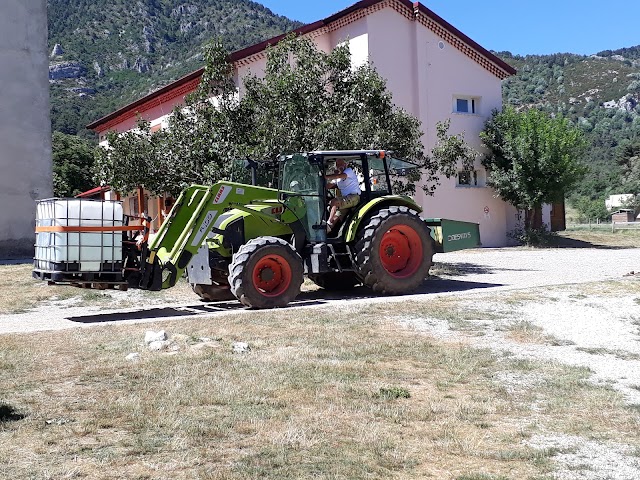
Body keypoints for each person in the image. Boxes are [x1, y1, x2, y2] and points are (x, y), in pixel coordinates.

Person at [325, 158, 360, 233]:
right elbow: (329, 185)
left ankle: (329, 221)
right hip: (345, 199)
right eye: (338, 165)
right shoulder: (337, 177)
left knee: (334, 202)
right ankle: (326, 231)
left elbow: (339, 176)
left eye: (341, 164)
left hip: (354, 197)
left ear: (345, 164)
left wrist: (325, 176)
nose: (340, 166)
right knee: (336, 217)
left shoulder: (348, 171)